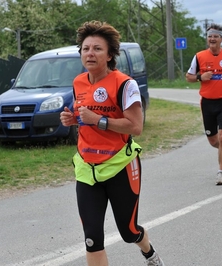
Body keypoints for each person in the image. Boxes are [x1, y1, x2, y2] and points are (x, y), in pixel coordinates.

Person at [59, 21, 164, 266]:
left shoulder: (125, 84)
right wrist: (72, 119)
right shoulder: (78, 83)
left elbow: (136, 126)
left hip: (120, 165)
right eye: (85, 48)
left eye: (97, 48)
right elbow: (84, 118)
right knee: (92, 239)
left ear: (110, 55)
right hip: (87, 169)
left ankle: (149, 253)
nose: (90, 53)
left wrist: (98, 120)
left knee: (129, 231)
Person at [186, 23, 222, 186]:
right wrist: (200, 77)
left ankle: (221, 172)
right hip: (207, 104)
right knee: (213, 141)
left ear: (221, 39)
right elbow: (188, 76)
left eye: (215, 36)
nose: (212, 39)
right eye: (210, 36)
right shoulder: (199, 56)